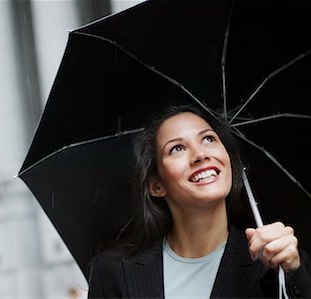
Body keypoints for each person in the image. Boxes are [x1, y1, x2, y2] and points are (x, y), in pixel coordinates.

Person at [87, 105, 311, 298]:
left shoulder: (275, 266)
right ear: (156, 185)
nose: (200, 154)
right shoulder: (114, 271)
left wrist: (293, 272)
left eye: (208, 138)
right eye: (177, 148)